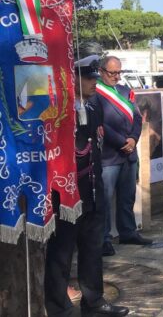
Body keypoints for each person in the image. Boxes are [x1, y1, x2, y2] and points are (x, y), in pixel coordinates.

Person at [45, 55, 129, 317]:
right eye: (89, 78)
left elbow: (96, 142)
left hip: (93, 186)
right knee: (62, 251)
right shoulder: (59, 107)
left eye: (95, 77)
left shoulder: (94, 106)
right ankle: (58, 306)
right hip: (68, 191)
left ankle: (93, 301)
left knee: (92, 248)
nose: (94, 83)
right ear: (74, 78)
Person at [96, 56, 150, 257]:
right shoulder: (96, 93)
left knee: (128, 196)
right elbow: (100, 123)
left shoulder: (126, 91)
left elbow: (137, 117)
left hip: (129, 151)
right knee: (105, 199)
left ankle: (128, 231)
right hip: (110, 154)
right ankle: (104, 239)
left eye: (119, 72)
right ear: (101, 71)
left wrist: (134, 139)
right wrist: (121, 142)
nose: (117, 77)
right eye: (112, 73)